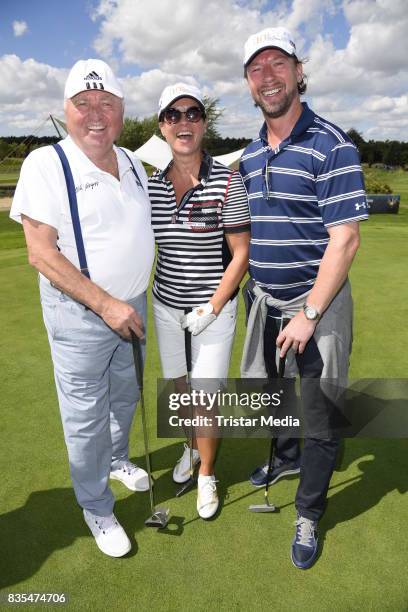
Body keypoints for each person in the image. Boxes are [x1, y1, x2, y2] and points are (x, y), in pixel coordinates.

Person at [10, 59, 155, 558]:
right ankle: (96, 505)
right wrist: (106, 304)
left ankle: (117, 460)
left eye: (106, 103)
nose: (96, 113)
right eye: (84, 103)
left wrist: (125, 302)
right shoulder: (44, 164)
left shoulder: (133, 161)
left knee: (124, 399)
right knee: (86, 417)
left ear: (121, 109)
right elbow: (40, 252)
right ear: (67, 110)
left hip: (132, 308)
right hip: (82, 315)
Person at [239, 28, 368, 569]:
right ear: (249, 83)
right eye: (256, 69)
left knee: (320, 414)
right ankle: (286, 458)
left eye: (277, 65)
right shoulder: (248, 155)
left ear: (297, 71)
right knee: (272, 396)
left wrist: (310, 314)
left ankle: (309, 514)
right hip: (264, 301)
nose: (268, 77)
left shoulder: (331, 144)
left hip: (318, 305)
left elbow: (346, 239)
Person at [148, 83, 250, 519]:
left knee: (206, 396)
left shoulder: (228, 180)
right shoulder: (150, 186)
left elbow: (241, 252)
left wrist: (212, 306)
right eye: (174, 115)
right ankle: (189, 450)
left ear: (204, 123)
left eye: (192, 113)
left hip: (214, 309)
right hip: (166, 306)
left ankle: (206, 472)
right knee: (180, 389)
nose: (183, 121)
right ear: (162, 126)